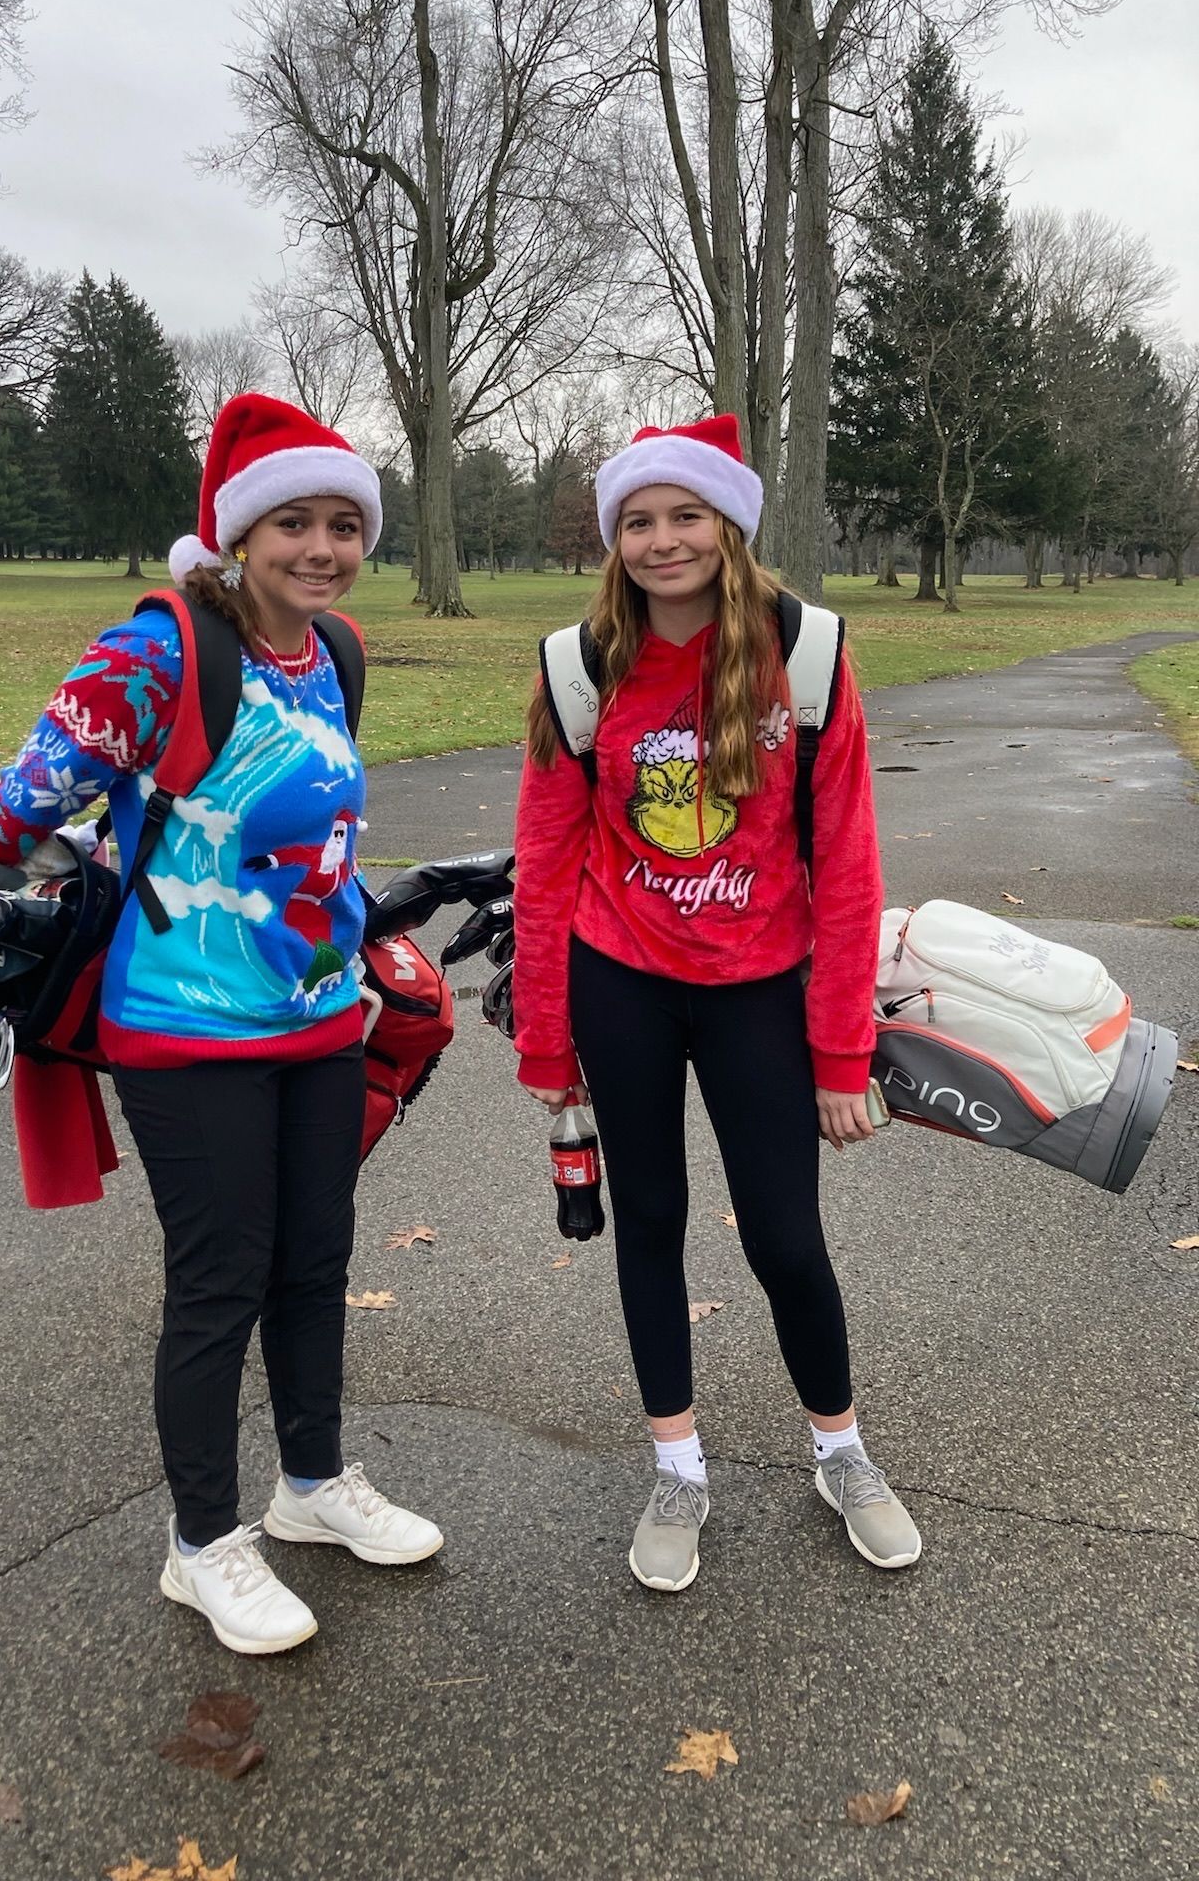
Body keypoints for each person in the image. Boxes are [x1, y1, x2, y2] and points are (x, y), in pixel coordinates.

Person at [0, 394, 443, 1655]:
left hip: (313, 1009)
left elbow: (305, 833)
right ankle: (203, 1546)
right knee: (220, 1278)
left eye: (344, 523)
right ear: (238, 537)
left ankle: (311, 1485)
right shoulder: (159, 651)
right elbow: (20, 804)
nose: (321, 546)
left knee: (313, 1259)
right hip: (182, 1024)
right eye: (292, 522)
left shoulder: (336, 651)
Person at [512, 413, 920, 1593]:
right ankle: (678, 1467)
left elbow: (847, 860)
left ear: (728, 524)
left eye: (684, 513)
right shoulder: (577, 667)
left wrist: (843, 1048)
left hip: (760, 988)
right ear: (613, 540)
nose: (661, 537)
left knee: (788, 1236)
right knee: (650, 1222)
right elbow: (544, 862)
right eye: (637, 519)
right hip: (622, 979)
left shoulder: (806, 654)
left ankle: (840, 1450)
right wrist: (548, 1036)